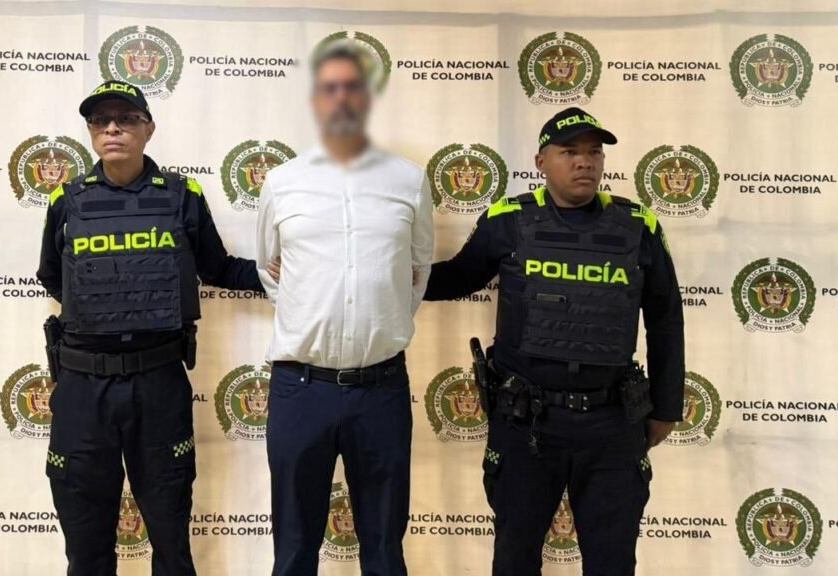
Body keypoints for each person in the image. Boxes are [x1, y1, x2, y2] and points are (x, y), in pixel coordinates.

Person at [424, 108, 685, 576]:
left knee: (612, 563)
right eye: (570, 152)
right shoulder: (508, 220)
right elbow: (457, 278)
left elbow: (665, 320)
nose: (585, 162)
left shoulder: (638, 226)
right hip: (526, 423)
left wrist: (666, 407)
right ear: (541, 162)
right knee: (515, 559)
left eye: (594, 153)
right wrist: (380, 273)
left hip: (611, 424)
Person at [36, 79, 263, 576]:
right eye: (100, 120)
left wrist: (281, 275)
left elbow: (217, 268)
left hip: (157, 384)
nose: (112, 128)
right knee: (85, 549)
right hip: (83, 390)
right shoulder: (66, 200)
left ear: (148, 129)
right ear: (91, 131)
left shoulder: (183, 196)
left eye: (126, 119)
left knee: (170, 541)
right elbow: (54, 278)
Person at [256, 44, 434, 576]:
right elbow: (270, 269)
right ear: (316, 100)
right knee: (293, 550)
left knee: (384, 550)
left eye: (352, 87)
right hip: (300, 389)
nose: (341, 98)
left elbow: (417, 271)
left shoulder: (409, 180)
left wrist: (378, 320)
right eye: (330, 88)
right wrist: (313, 312)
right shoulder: (282, 181)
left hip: (381, 390)